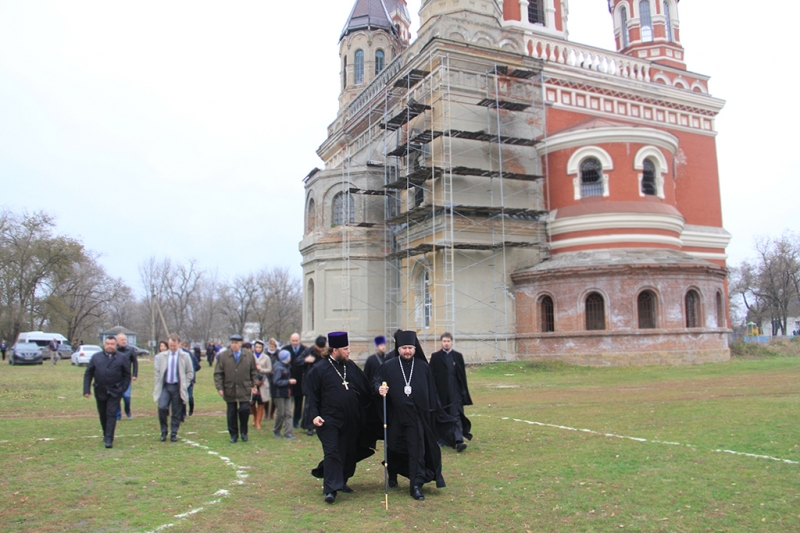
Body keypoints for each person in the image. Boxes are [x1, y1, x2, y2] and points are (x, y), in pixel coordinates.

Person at [376, 330, 456, 501]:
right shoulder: (388, 366)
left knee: (416, 451)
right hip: (395, 417)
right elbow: (376, 380)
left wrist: (437, 413)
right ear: (398, 349)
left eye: (410, 348)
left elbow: (432, 393)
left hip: (416, 417)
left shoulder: (422, 367)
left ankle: (416, 485)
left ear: (414, 348)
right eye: (404, 348)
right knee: (395, 448)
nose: (407, 351)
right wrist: (379, 389)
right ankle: (393, 473)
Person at [306, 332, 376, 504]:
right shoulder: (319, 369)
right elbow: (312, 396)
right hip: (328, 420)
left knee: (349, 452)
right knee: (332, 452)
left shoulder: (350, 366)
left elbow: (366, 388)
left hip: (351, 420)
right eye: (345, 349)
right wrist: (314, 415)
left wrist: (379, 392)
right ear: (335, 349)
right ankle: (330, 489)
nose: (349, 351)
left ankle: (342, 480)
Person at [83, 336, 131, 448]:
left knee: (111, 413)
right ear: (104, 344)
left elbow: (127, 375)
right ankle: (105, 434)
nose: (109, 346)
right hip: (100, 390)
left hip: (115, 391)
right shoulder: (96, 357)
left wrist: (122, 389)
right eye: (108, 343)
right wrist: (86, 389)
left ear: (116, 345)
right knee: (103, 414)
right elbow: (88, 373)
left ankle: (109, 438)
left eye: (112, 344)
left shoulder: (122, 358)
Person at [429, 332, 473, 452]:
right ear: (441, 342)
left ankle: (459, 441)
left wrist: (463, 392)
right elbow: (431, 376)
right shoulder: (435, 357)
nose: (446, 343)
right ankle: (443, 439)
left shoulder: (457, 356)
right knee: (443, 415)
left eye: (448, 341)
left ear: (452, 342)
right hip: (441, 392)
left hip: (455, 391)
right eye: (444, 341)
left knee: (456, 414)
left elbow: (462, 376)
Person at [214, 334, 258, 443]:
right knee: (231, 412)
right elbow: (218, 373)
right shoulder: (223, 356)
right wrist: (219, 387)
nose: (234, 345)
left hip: (245, 387)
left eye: (236, 343)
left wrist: (254, 384)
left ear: (241, 343)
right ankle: (233, 434)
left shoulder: (248, 355)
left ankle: (244, 432)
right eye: (232, 342)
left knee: (244, 410)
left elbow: (254, 371)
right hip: (229, 388)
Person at [152, 334, 195, 442]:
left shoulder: (185, 356)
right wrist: (157, 382)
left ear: (179, 344)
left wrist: (185, 383)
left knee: (176, 411)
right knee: (162, 407)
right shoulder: (162, 356)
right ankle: (163, 430)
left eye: (174, 346)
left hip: (178, 387)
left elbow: (190, 372)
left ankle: (174, 433)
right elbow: (157, 371)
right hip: (166, 386)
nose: (172, 347)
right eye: (170, 345)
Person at [298, 336, 325, 436]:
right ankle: (309, 426)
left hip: (322, 382)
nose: (320, 350)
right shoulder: (308, 351)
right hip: (310, 382)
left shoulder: (325, 353)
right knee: (309, 405)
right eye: (319, 347)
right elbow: (297, 361)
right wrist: (305, 360)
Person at [272, 349, 296, 439]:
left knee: (289, 413)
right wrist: (288, 381)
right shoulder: (279, 368)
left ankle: (288, 433)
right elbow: (276, 382)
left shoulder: (287, 366)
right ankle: (276, 430)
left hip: (287, 393)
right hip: (279, 394)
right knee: (281, 414)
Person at [115, 333, 139, 420]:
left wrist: (134, 374)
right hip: (116, 377)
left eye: (125, 340)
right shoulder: (114, 350)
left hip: (126, 377)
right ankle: (118, 415)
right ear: (117, 341)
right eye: (122, 340)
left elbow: (135, 363)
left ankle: (127, 411)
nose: (124, 341)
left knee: (126, 396)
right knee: (116, 396)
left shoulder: (131, 350)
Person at [286, 333, 307, 428]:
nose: (294, 342)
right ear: (290, 340)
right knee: (287, 403)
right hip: (288, 379)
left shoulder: (305, 350)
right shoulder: (285, 350)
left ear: (300, 340)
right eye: (293, 341)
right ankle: (287, 421)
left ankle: (296, 420)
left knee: (298, 402)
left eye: (296, 340)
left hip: (300, 380)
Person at [252, 340, 272, 430]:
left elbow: (269, 369)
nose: (258, 349)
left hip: (262, 381)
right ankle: (255, 416)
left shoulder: (266, 357)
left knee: (261, 401)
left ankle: (258, 422)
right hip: (252, 381)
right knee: (251, 402)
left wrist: (261, 369)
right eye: (256, 347)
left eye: (260, 347)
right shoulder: (250, 356)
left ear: (263, 348)